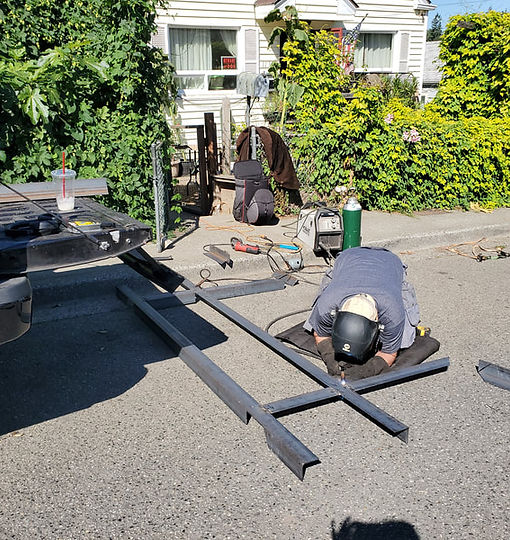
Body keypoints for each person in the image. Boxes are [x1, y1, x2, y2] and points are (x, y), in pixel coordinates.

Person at [304, 247, 421, 380]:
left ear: (378, 321)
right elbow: (320, 334)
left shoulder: (392, 314)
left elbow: (389, 353)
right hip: (350, 256)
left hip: (390, 260)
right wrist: (330, 359)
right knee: (313, 322)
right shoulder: (327, 304)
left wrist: (364, 372)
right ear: (337, 314)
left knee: (405, 340)